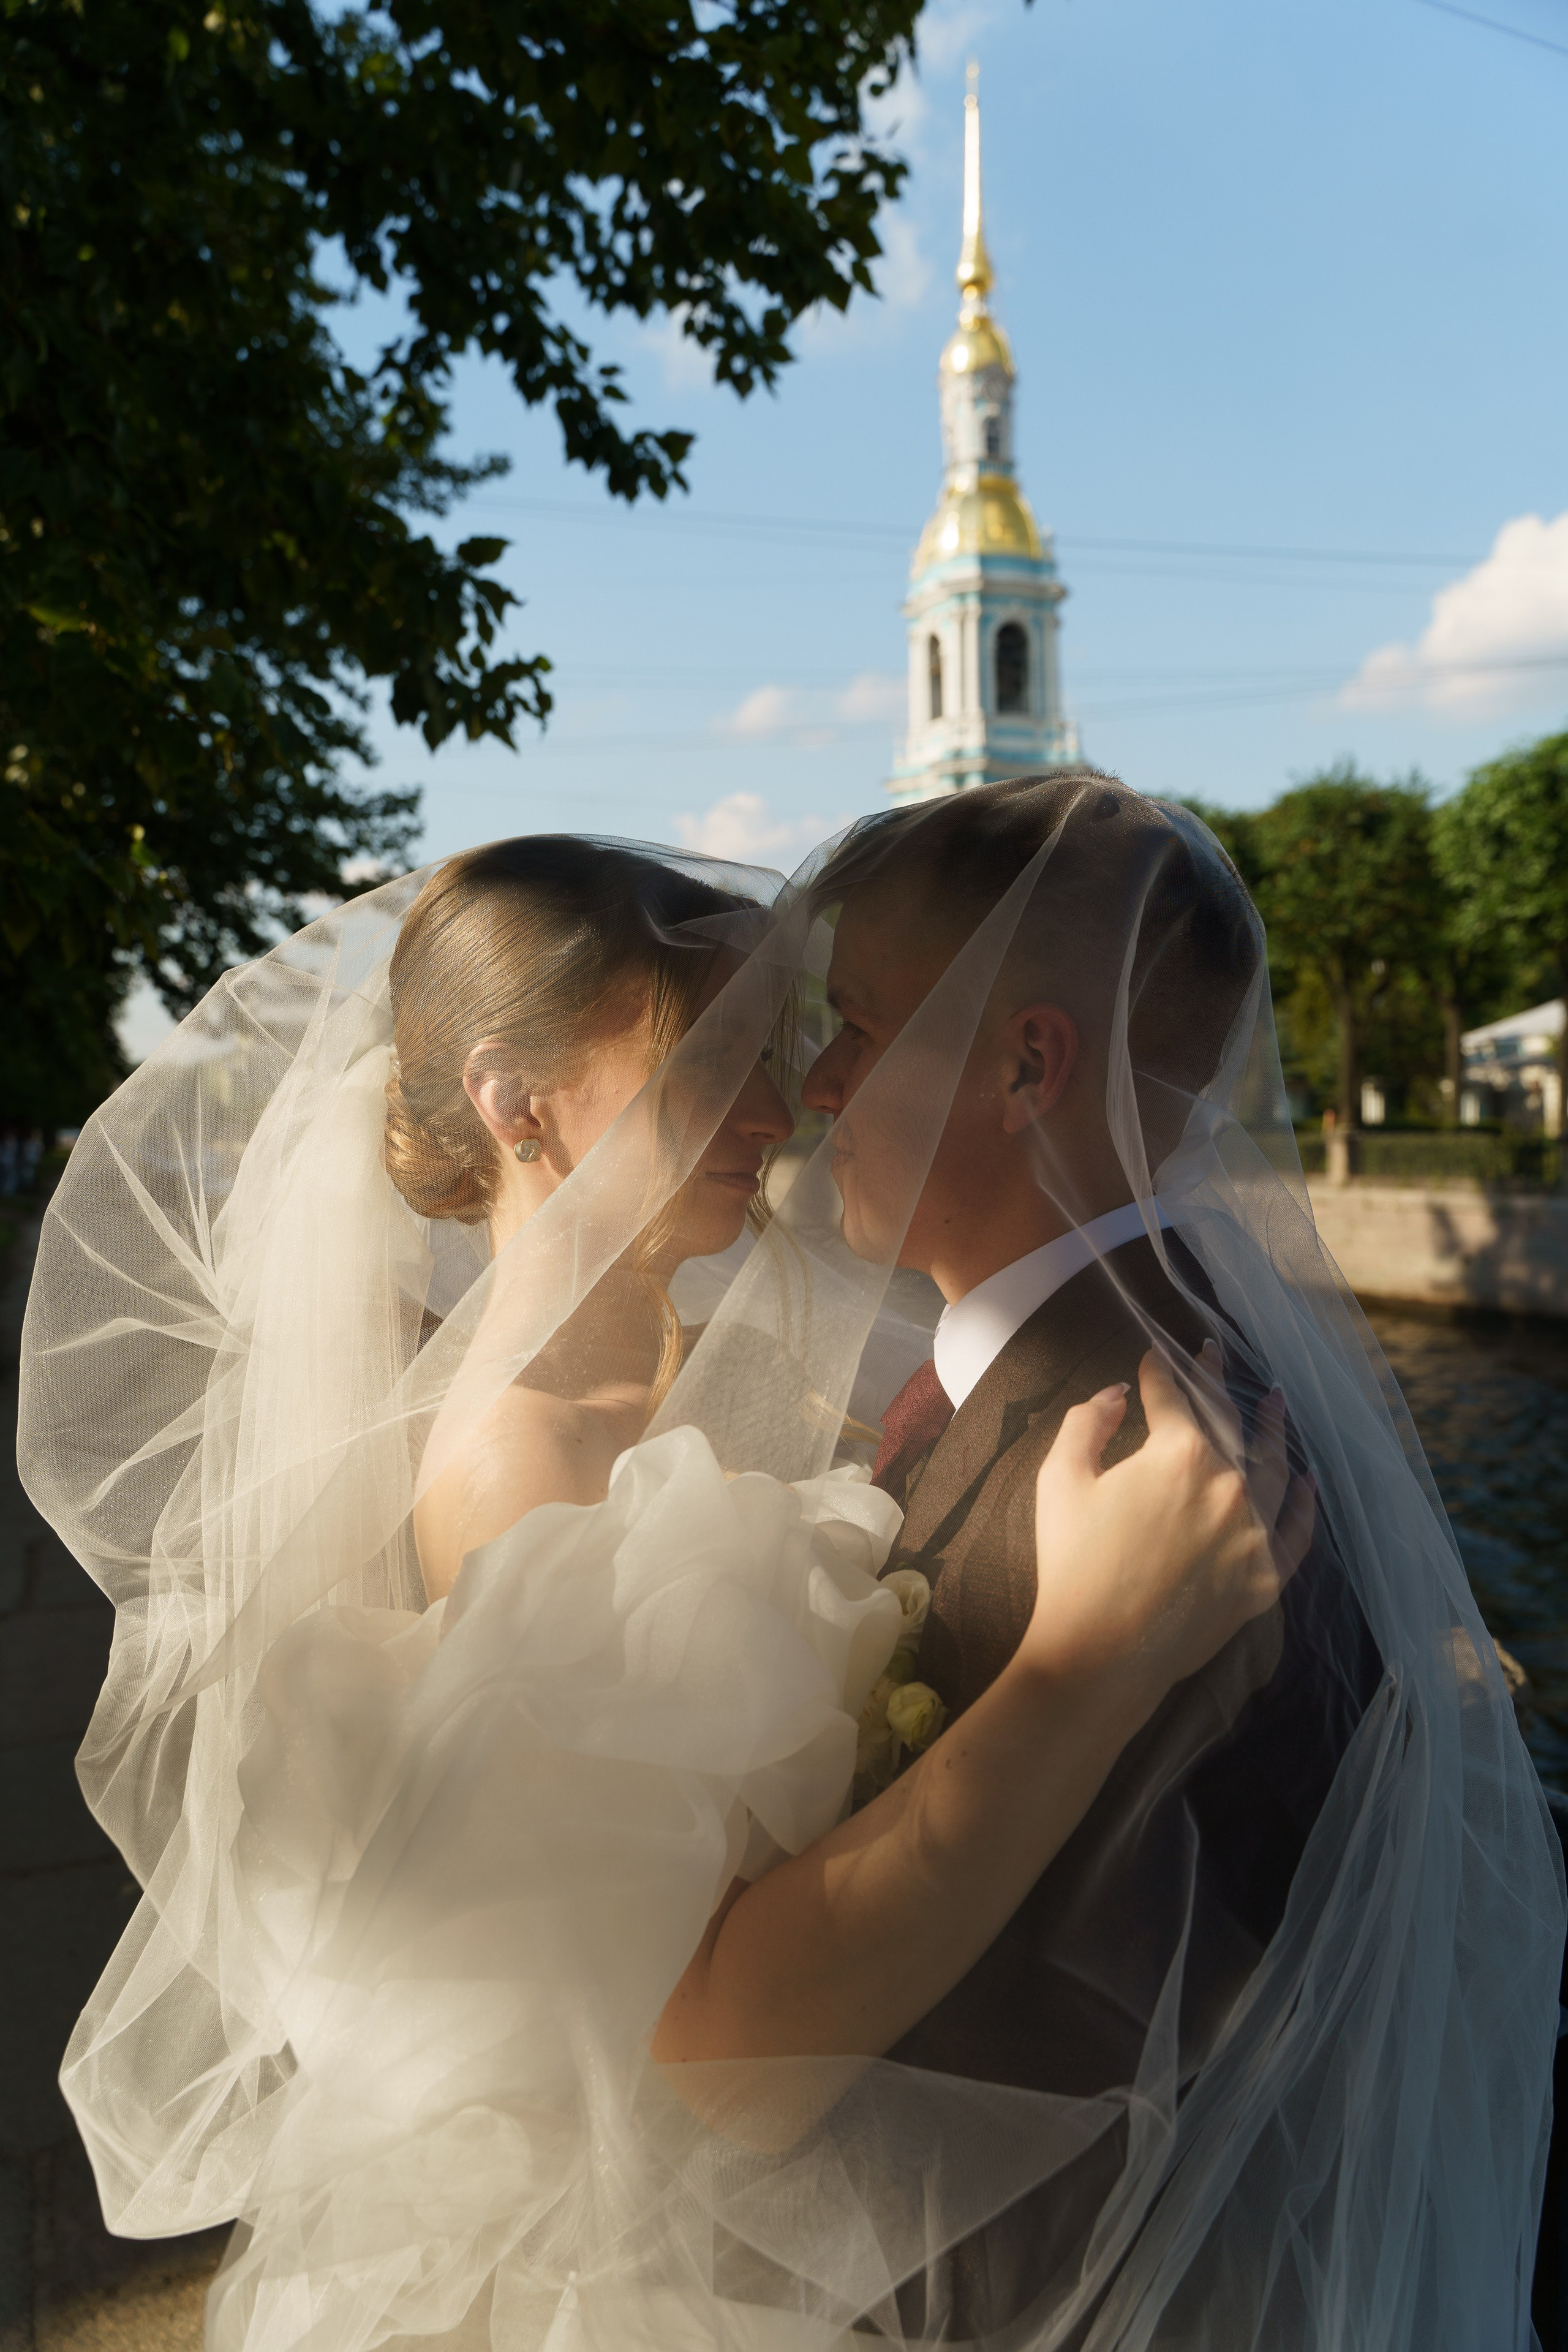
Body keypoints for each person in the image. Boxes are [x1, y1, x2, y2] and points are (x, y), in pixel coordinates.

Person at [19, 825, 1314, 2352]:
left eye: (780, 1051)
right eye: (711, 1065)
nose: (778, 1112)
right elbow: (694, 2023)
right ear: (519, 1105)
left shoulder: (728, 1372)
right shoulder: (517, 1470)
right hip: (699, 2237)